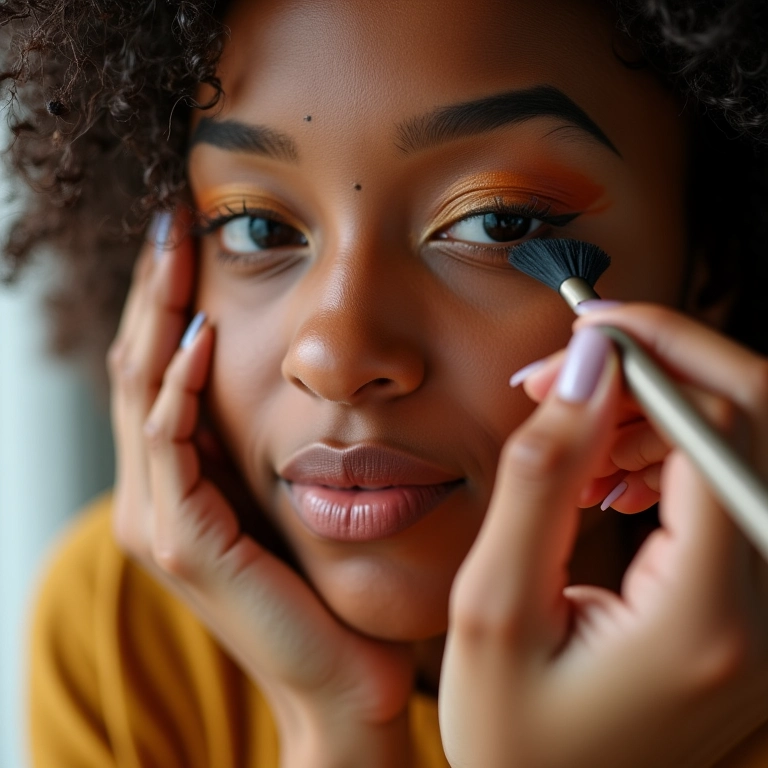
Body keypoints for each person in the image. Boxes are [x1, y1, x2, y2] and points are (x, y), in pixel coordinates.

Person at [2, 0, 768, 765]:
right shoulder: (120, 632)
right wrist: (333, 726)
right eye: (258, 228)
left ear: (712, 259)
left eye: (497, 222)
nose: (333, 358)